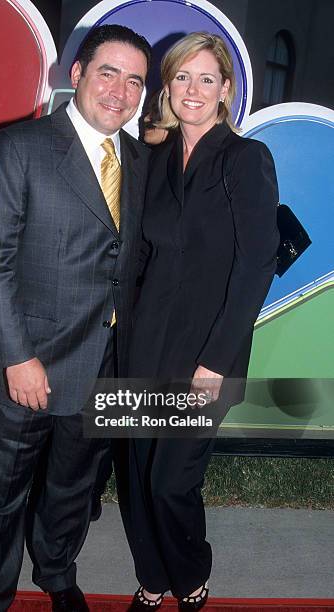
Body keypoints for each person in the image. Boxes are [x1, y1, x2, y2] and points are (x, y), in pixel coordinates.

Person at [0, 24, 151, 612]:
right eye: (108, 72)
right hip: (31, 362)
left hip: (107, 365)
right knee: (0, 495)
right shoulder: (17, 147)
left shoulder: (142, 160)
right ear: (76, 75)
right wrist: (16, 356)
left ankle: (55, 570)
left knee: (73, 486)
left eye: (135, 81)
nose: (120, 91)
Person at [122, 32, 280, 610]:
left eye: (206, 79)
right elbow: (139, 255)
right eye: (183, 77)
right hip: (144, 345)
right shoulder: (152, 160)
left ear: (225, 92)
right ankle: (152, 578)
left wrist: (216, 359)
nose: (193, 89)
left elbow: (257, 264)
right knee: (139, 477)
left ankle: (190, 578)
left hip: (207, 352)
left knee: (171, 482)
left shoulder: (245, 159)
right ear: (168, 86)